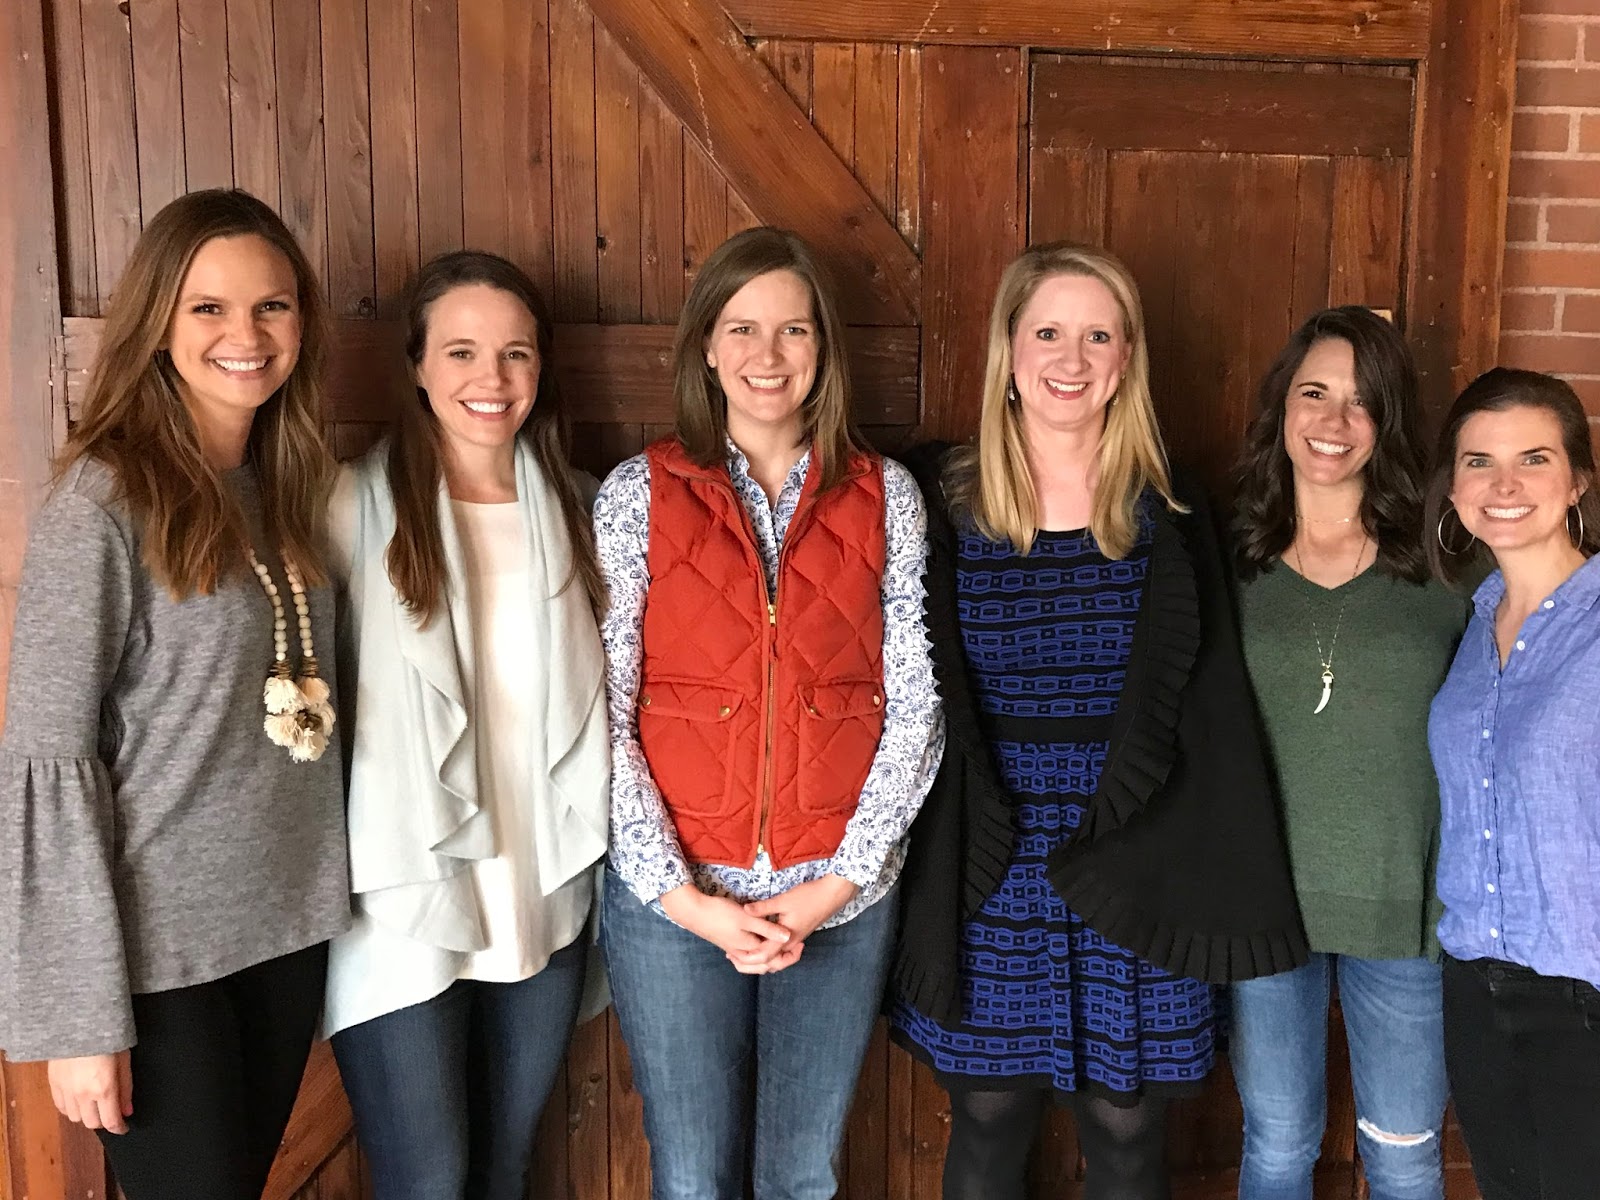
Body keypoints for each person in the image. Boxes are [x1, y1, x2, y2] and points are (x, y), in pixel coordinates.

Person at [887, 241, 1307, 1200]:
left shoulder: (1172, 514)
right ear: (1009, 350)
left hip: (1136, 856)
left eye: (1097, 337)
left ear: (1125, 362)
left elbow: (1211, 714)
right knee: (988, 1120)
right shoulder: (938, 501)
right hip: (990, 864)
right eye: (1048, 333)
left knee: (1127, 1133)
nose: (1070, 360)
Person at [0, 188, 348, 1198]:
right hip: (157, 961)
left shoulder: (287, 486)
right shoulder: (102, 502)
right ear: (158, 322)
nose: (247, 335)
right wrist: (78, 1017)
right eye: (209, 307)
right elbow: (46, 759)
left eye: (273, 306)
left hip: (282, 932)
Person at [594, 226, 942, 1199]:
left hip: (835, 898)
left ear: (822, 348)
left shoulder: (886, 496)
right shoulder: (637, 494)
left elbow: (914, 704)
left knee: (799, 1178)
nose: (768, 354)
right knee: (694, 1181)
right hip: (675, 903)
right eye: (742, 328)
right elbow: (602, 711)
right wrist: (680, 896)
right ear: (706, 346)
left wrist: (841, 881)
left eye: (793, 329)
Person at [321, 251, 610, 1200]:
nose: (492, 378)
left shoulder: (579, 506)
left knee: (504, 1169)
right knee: (428, 1179)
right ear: (416, 365)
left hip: (540, 886)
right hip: (400, 893)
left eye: (515, 353)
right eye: (461, 352)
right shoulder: (350, 504)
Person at [1227, 307, 1465, 1200]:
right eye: (1314, 393)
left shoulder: (1449, 562)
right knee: (1277, 1147)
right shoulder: (1229, 556)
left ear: (1388, 420)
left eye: (1361, 401)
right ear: (1282, 407)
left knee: (1403, 1158)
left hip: (1408, 910)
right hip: (1263, 906)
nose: (1333, 421)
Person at [1425, 367, 1600, 1200]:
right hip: (1475, 985)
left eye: (1533, 458)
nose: (1504, 486)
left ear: (1578, 481)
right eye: (1479, 461)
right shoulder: (1474, 620)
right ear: (1453, 488)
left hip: (1584, 998)